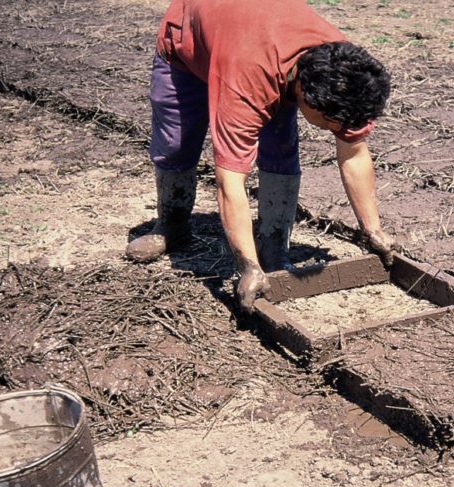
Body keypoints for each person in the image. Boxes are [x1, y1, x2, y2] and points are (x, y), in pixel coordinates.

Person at [126, 0, 400, 314]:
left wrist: (373, 230)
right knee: (175, 144)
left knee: (280, 148)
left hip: (259, 44)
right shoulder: (247, 79)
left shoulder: (345, 71)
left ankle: (274, 247)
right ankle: (171, 226)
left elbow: (354, 152)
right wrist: (246, 266)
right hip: (189, 48)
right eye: (329, 124)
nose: (334, 131)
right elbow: (230, 180)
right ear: (305, 94)